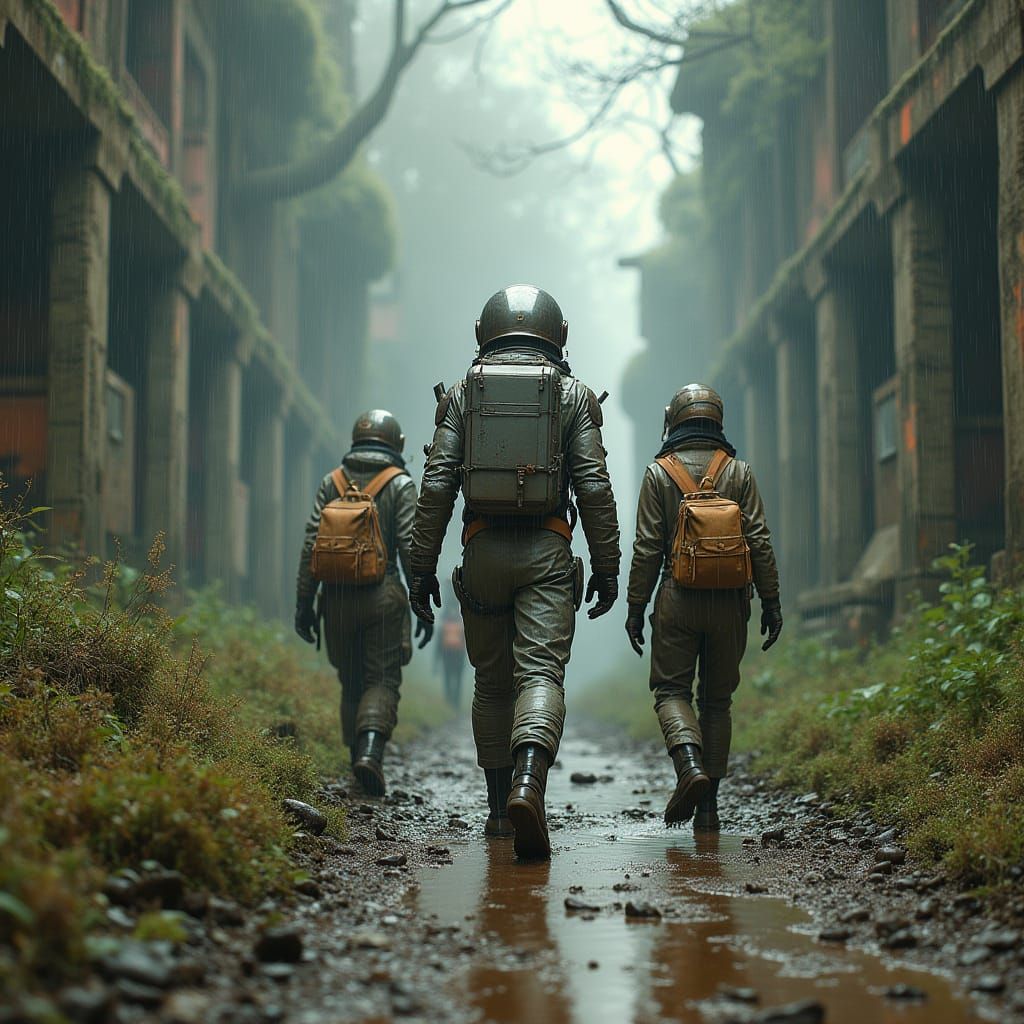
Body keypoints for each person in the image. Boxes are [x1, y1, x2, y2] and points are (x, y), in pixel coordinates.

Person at [408, 284, 620, 859]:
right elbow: (595, 489)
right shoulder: (573, 395)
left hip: (481, 556)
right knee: (540, 676)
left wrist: (420, 569)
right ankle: (531, 784)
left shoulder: (461, 395)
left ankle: (500, 809)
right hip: (549, 553)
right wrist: (608, 566)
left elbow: (436, 489)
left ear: (485, 333)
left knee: (492, 683)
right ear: (559, 334)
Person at [625, 383, 782, 831]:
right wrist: (771, 601)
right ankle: (709, 808)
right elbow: (760, 542)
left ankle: (688, 765)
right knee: (717, 701)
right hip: (731, 602)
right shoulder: (740, 472)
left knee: (672, 692)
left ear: (673, 421)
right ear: (717, 421)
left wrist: (636, 607)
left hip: (677, 598)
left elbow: (646, 548)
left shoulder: (659, 474)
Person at [295, 410, 432, 795]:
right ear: (396, 444)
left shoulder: (330, 482)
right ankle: (370, 754)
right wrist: (420, 598)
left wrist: (303, 603)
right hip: (382, 596)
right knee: (382, 678)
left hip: (334, 599)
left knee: (350, 679)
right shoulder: (401, 484)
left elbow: (311, 545)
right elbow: (410, 546)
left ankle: (356, 761)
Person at [435, 582, 468, 708]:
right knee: (457, 677)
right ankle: (455, 702)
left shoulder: (446, 615)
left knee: (448, 675)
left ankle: (450, 700)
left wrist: (436, 658)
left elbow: (439, 637)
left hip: (448, 651)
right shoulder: (461, 615)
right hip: (458, 652)